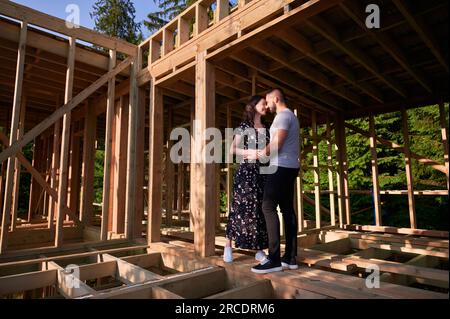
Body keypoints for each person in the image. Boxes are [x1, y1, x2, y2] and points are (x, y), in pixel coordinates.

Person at [251, 88, 300, 274]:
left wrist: (261, 154)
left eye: (268, 101)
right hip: (290, 166)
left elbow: (278, 143)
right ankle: (290, 257)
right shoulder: (291, 117)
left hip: (280, 166)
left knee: (268, 207)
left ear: (276, 99)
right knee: (287, 209)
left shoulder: (282, 117)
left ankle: (274, 259)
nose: (267, 105)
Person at [224, 95, 270, 263]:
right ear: (254, 106)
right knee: (239, 207)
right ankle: (228, 244)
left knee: (259, 210)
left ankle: (258, 250)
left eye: (266, 103)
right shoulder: (244, 126)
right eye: (263, 103)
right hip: (246, 173)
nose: (265, 106)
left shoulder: (267, 127)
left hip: (262, 173)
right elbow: (233, 149)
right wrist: (249, 153)